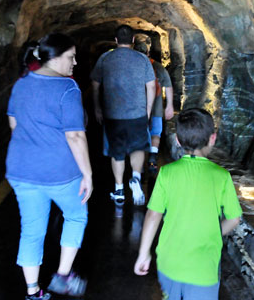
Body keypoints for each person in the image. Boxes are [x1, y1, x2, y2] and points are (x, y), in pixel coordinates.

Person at [6, 33, 93, 300]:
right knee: (76, 215)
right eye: (70, 57)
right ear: (54, 57)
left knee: (32, 229)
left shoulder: (21, 83)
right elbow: (75, 135)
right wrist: (88, 174)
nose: (75, 63)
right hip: (58, 173)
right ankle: (63, 276)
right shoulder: (67, 88)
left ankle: (33, 292)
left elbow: (13, 123)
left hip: (21, 170)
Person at [133, 108, 243, 300]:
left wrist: (144, 253)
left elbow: (153, 215)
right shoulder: (222, 177)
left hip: (169, 263)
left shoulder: (167, 173)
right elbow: (234, 218)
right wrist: (212, 231)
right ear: (212, 138)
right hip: (204, 268)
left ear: (177, 140)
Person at [90, 25, 155, 205]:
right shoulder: (142, 59)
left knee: (117, 152)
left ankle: (119, 190)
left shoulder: (105, 58)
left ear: (116, 40)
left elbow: (95, 85)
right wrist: (148, 110)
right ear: (133, 40)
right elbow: (150, 86)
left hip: (113, 115)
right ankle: (135, 177)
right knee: (138, 147)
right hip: (138, 113)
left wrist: (97, 108)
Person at [133, 34, 174, 173]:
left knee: (140, 134)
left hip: (138, 107)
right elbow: (168, 85)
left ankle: (141, 166)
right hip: (156, 105)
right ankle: (152, 158)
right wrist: (169, 105)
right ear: (148, 52)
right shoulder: (157, 66)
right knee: (155, 132)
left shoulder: (132, 66)